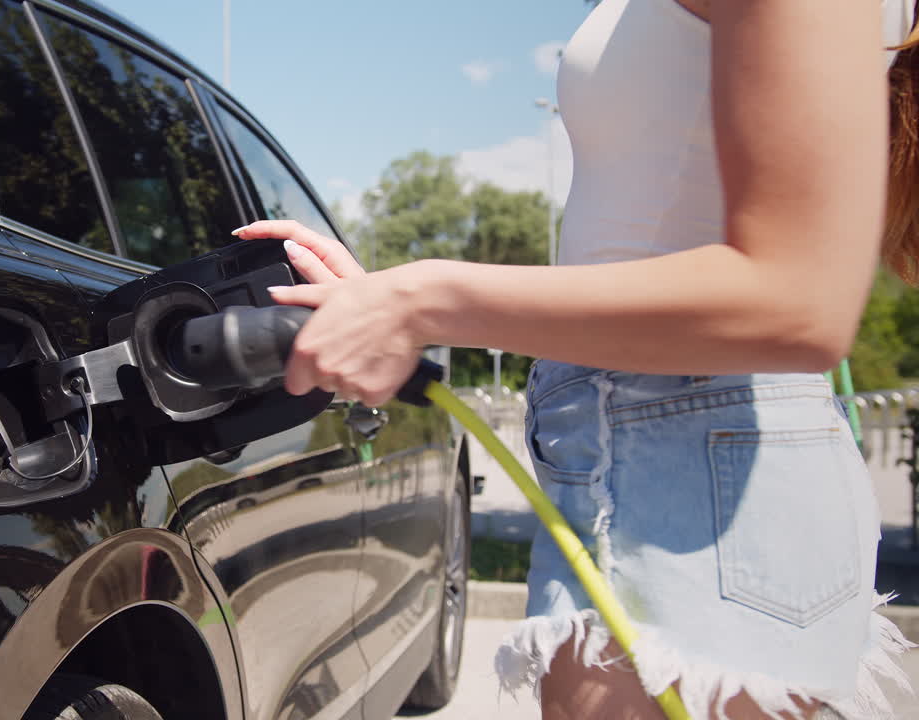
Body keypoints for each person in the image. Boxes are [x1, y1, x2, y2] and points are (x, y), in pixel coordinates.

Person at [232, 0, 919, 717]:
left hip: (699, 473)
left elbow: (797, 301)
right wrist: (384, 302)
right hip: (646, 451)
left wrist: (420, 300)